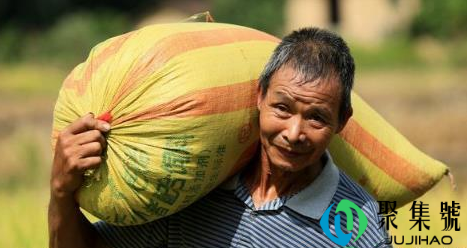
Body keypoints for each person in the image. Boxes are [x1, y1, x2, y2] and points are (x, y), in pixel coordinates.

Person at [49, 27, 391, 248]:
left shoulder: (356, 226)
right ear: (259, 97)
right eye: (282, 108)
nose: (293, 133)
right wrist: (62, 192)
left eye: (316, 117)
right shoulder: (194, 184)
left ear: (342, 121)